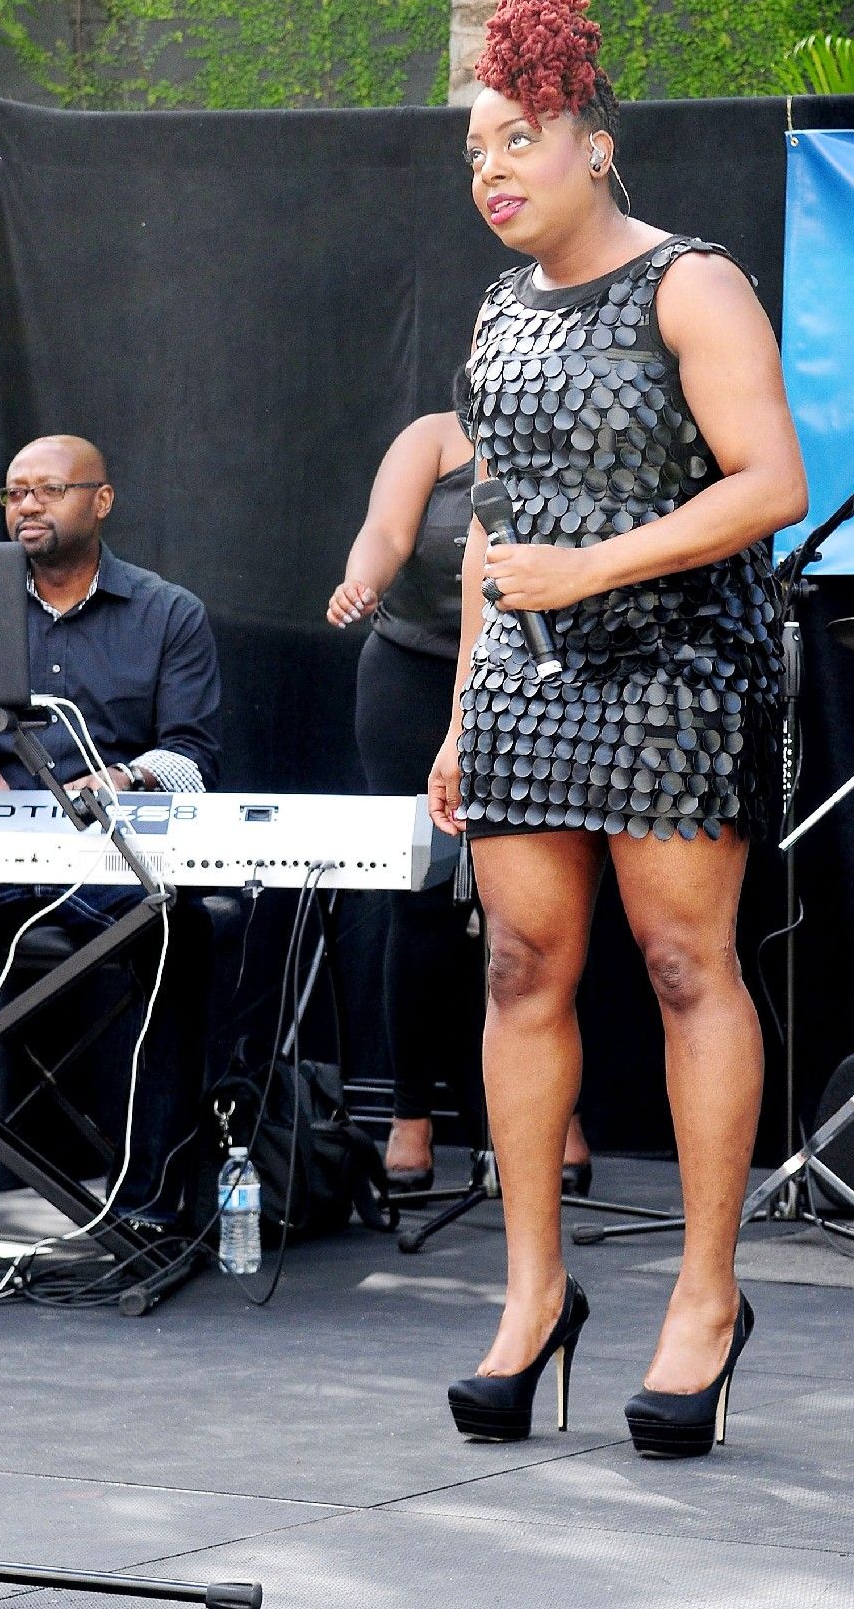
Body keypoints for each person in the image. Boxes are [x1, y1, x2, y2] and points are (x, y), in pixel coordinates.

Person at [428, 0, 807, 1457]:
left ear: (592, 140)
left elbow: (768, 483)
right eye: (475, 150)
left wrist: (596, 563)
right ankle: (533, 1302)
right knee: (524, 963)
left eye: (518, 138)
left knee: (679, 964)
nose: (494, 170)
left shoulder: (690, 281)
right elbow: (490, 532)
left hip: (672, 671)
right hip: (524, 682)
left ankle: (705, 1303)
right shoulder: (497, 312)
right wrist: (464, 709)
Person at [328, 376, 593, 1192]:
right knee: (422, 900)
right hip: (415, 675)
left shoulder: (581, 439)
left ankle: (554, 1115)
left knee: (543, 906)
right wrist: (361, 581)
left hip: (540, 679)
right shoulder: (435, 439)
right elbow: (384, 532)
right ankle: (412, 1115)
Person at [0, 434, 221, 1230]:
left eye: (47, 490)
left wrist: (122, 776)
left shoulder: (167, 613)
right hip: (0, 864)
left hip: (110, 861)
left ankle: (151, 1203)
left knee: (175, 938)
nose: (26, 505)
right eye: (15, 492)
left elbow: (194, 756)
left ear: (101, 500)